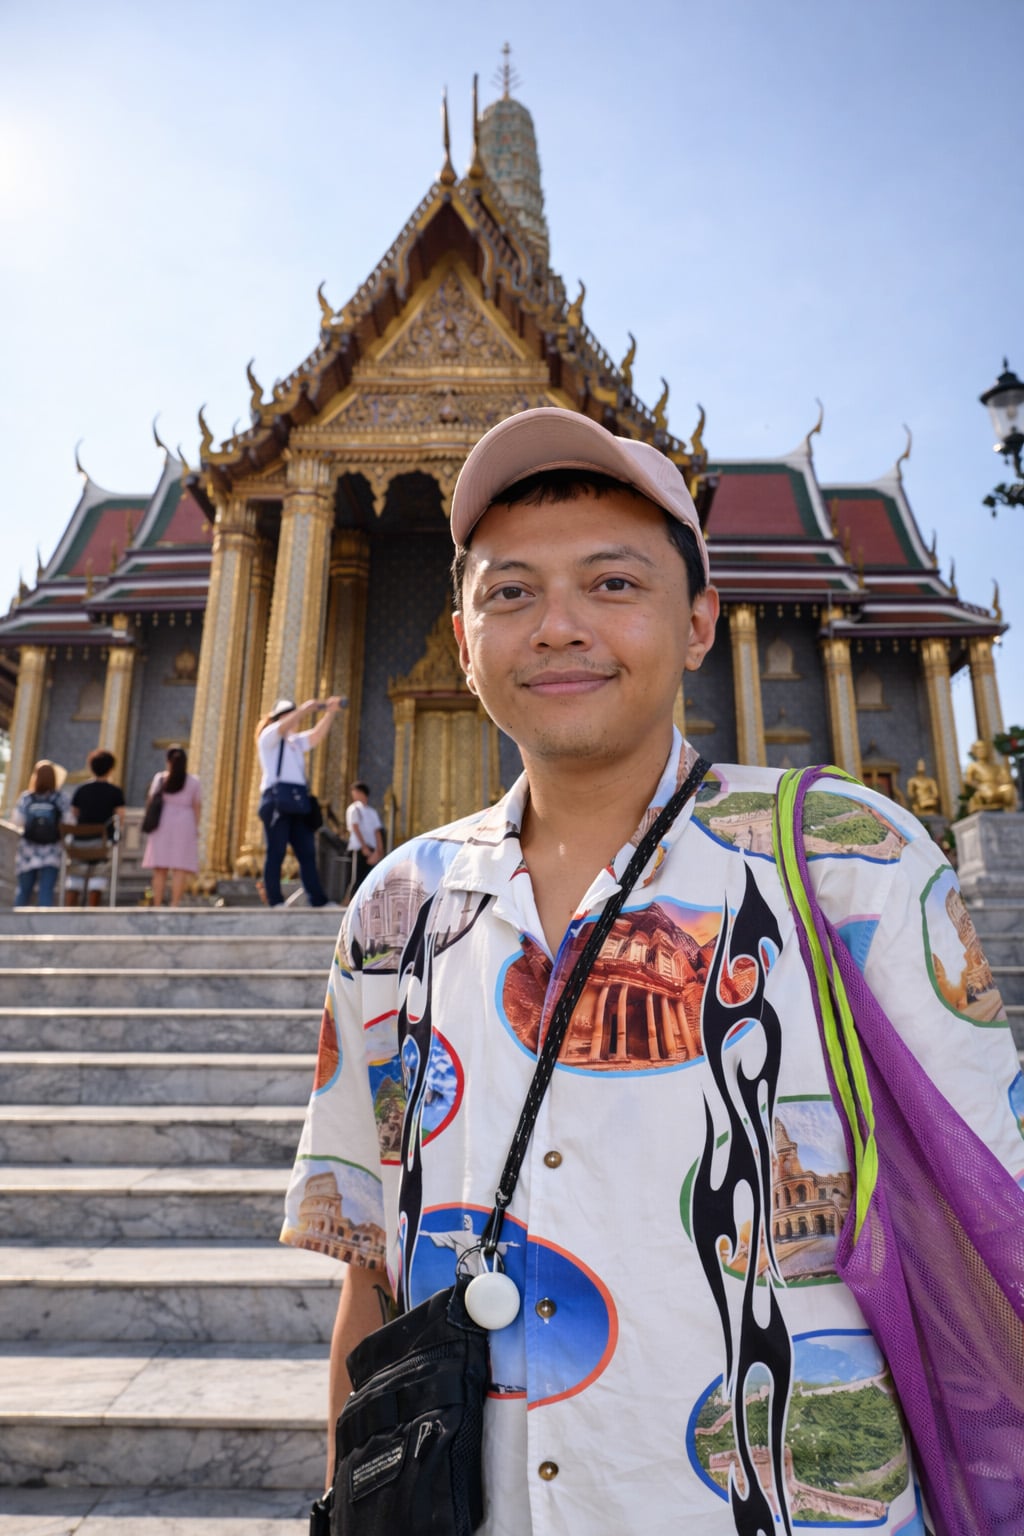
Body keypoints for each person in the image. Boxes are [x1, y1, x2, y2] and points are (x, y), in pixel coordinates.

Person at [282, 408, 1023, 1534]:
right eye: (510, 592)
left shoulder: (841, 860)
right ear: (463, 639)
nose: (557, 627)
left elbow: (993, 1224)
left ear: (698, 624)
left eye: (613, 584)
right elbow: (374, 1281)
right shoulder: (398, 909)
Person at [256, 696, 343, 908]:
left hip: (297, 802)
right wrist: (304, 710)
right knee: (276, 852)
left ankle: (318, 900)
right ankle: (275, 900)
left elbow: (315, 736)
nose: (295, 720)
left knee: (307, 853)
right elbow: (283, 726)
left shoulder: (294, 742)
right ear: (280, 717)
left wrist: (329, 712)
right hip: (277, 801)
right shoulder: (269, 737)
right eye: (290, 715)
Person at [141, 746, 201, 907]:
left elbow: (150, 801)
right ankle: (174, 904)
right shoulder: (194, 781)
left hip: (162, 823)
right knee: (179, 868)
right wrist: (195, 828)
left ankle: (157, 904)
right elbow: (197, 806)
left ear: (168, 761)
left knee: (160, 868)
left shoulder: (160, 779)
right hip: (185, 823)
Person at [65, 748, 126, 907]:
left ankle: (70, 907)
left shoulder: (81, 790)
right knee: (98, 876)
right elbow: (120, 817)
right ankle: (93, 908)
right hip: (102, 842)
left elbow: (74, 813)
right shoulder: (115, 792)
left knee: (76, 875)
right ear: (111, 769)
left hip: (79, 842)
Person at [12, 760, 73, 907]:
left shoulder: (26, 797)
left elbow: (17, 821)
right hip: (52, 850)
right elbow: (70, 821)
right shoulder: (60, 798)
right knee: (46, 891)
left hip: (27, 850)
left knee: (23, 891)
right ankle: (44, 929)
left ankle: (14, 928)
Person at [343, 780, 384, 895]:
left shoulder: (372, 812)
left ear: (361, 792)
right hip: (358, 849)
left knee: (369, 879)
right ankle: (351, 903)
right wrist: (364, 847)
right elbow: (355, 828)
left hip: (371, 849)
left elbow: (377, 831)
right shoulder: (354, 809)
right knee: (355, 879)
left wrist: (379, 851)